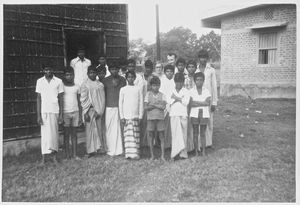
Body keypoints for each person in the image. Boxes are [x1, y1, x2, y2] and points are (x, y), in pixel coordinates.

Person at [36, 65, 64, 165]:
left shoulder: (58, 81)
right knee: (44, 135)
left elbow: (61, 98)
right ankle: (43, 159)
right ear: (43, 70)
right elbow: (39, 98)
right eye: (46, 69)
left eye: (50, 69)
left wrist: (61, 114)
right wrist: (38, 115)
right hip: (44, 111)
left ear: (53, 70)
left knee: (54, 134)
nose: (48, 71)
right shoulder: (40, 81)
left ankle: (54, 157)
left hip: (54, 110)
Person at [80, 65, 106, 157]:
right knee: (89, 131)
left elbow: (102, 99)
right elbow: (83, 99)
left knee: (98, 130)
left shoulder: (100, 85)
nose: (92, 74)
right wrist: (85, 112)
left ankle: (99, 149)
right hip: (88, 111)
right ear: (87, 74)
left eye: (94, 72)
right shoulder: (84, 84)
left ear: (97, 74)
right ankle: (90, 151)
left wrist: (99, 111)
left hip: (98, 111)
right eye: (90, 73)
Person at [102, 62, 126, 156]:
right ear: (109, 70)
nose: (114, 71)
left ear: (118, 70)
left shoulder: (123, 80)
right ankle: (110, 149)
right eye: (112, 69)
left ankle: (119, 149)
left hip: (119, 107)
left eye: (116, 69)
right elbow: (103, 95)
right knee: (109, 128)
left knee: (119, 129)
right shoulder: (105, 80)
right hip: (108, 107)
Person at [119, 71, 144, 159]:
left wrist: (140, 116)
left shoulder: (138, 89)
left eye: (132, 77)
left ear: (134, 78)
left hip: (135, 116)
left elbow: (141, 103)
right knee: (128, 136)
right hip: (126, 116)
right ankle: (129, 154)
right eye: (128, 77)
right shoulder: (123, 89)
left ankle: (136, 153)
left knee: (136, 135)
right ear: (126, 78)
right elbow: (120, 104)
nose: (130, 78)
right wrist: (122, 116)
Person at [197, 50, 218, 148]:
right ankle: (199, 143)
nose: (203, 59)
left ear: (207, 58)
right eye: (201, 57)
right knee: (199, 120)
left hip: (208, 99)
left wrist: (214, 102)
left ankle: (209, 143)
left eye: (205, 57)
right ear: (199, 58)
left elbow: (214, 86)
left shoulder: (211, 70)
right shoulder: (196, 69)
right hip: (198, 99)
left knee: (209, 120)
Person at [144, 76, 167, 161]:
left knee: (161, 136)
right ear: (151, 86)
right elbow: (146, 107)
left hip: (160, 118)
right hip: (150, 118)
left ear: (159, 85)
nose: (155, 87)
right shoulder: (147, 94)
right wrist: (157, 105)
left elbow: (163, 107)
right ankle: (152, 155)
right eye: (153, 85)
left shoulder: (162, 95)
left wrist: (153, 105)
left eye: (157, 85)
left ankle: (162, 156)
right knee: (150, 136)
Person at [169, 73, 190, 160]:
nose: (179, 84)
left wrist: (176, 98)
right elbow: (169, 101)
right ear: (175, 82)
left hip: (183, 114)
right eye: (177, 82)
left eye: (181, 82)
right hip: (174, 114)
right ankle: (175, 153)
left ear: (183, 82)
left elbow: (186, 102)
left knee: (183, 134)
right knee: (175, 135)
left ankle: (183, 154)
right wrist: (180, 98)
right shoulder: (171, 90)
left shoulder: (186, 91)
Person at [62, 66, 82, 160]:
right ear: (64, 76)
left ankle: (74, 155)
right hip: (66, 112)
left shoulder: (77, 86)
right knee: (66, 135)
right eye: (67, 75)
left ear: (73, 75)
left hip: (75, 112)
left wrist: (80, 116)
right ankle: (66, 155)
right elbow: (60, 100)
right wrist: (61, 114)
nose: (69, 77)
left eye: (70, 74)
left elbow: (79, 101)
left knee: (74, 134)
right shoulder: (62, 86)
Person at [189, 72, 211, 156]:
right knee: (195, 132)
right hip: (194, 113)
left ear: (203, 81)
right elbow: (191, 103)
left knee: (202, 133)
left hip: (204, 113)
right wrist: (202, 102)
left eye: (201, 80)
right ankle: (196, 151)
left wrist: (197, 102)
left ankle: (203, 151)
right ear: (194, 81)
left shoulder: (206, 91)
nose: (199, 82)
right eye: (197, 80)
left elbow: (207, 103)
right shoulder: (191, 91)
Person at [159, 64, 175, 149]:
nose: (169, 73)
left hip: (173, 105)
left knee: (172, 125)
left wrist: (171, 103)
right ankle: (164, 143)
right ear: (164, 72)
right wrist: (166, 104)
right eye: (167, 71)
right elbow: (162, 94)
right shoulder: (162, 80)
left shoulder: (175, 81)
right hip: (165, 105)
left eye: (171, 71)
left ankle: (172, 143)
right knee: (164, 125)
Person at [140, 59, 155, 147]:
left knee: (150, 123)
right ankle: (142, 142)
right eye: (147, 67)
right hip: (141, 102)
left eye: (150, 68)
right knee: (142, 122)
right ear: (144, 68)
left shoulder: (153, 77)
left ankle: (150, 143)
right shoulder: (140, 77)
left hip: (150, 103)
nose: (148, 69)